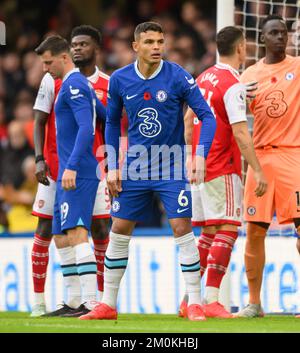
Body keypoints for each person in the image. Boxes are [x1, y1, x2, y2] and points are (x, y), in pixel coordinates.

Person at [80, 21, 216, 321]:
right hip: (135, 167)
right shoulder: (120, 80)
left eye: (160, 41)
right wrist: (113, 166)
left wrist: (200, 155)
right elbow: (112, 123)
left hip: (171, 165)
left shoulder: (178, 76)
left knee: (181, 228)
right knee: (119, 229)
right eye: (150, 42)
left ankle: (194, 302)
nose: (157, 47)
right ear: (135, 46)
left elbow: (208, 117)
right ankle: (108, 304)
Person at [180, 26, 267, 318]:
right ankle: (212, 300)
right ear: (241, 48)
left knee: (208, 231)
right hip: (222, 165)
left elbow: (188, 120)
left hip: (199, 166)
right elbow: (241, 134)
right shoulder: (232, 83)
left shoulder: (204, 77)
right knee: (228, 228)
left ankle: (188, 299)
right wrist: (257, 170)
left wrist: (193, 157)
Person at [30, 27, 112, 317]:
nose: (45, 68)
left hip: (78, 171)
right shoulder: (77, 84)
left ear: (64, 57)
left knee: (78, 232)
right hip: (67, 169)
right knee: (62, 237)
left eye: (48, 62)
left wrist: (74, 165)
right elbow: (104, 116)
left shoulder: (73, 84)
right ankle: (74, 301)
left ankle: (91, 302)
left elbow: (88, 128)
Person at [236, 15, 300, 318]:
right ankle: (254, 302)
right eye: (273, 33)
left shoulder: (298, 68)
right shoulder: (249, 75)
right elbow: (235, 118)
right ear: (262, 38)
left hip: (293, 157)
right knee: (255, 233)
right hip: (260, 160)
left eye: (283, 33)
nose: (279, 37)